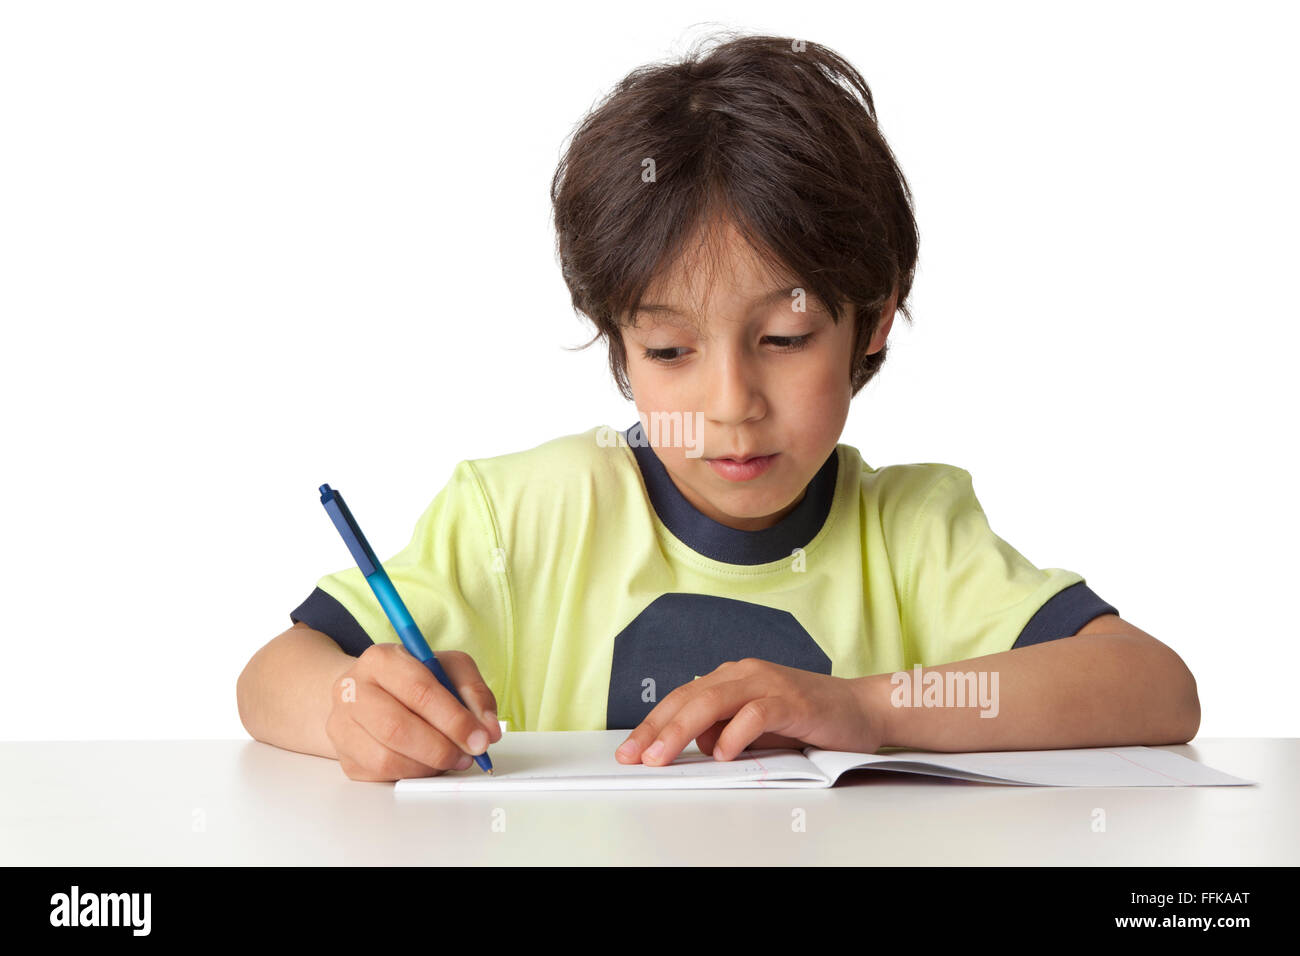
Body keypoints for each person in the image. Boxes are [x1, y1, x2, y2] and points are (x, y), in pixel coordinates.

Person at [237, 33, 1199, 782]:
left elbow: (1154, 689)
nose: (731, 404)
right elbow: (273, 676)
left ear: (874, 319)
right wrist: (353, 707)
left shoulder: (912, 535)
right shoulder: (524, 515)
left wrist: (865, 709)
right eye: (668, 350)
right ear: (617, 345)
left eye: (783, 341)